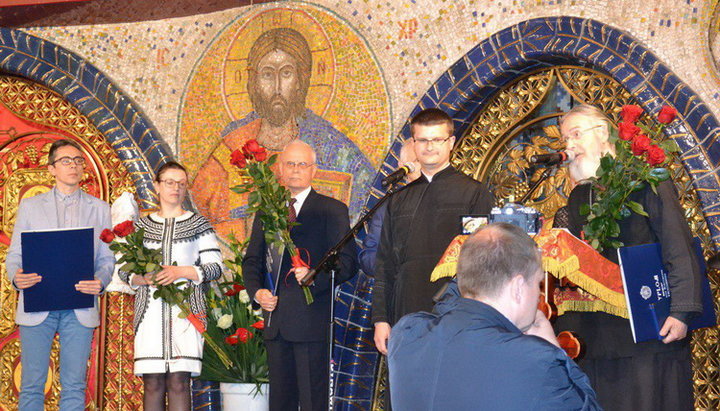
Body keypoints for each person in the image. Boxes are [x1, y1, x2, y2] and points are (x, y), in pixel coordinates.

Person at [554, 104, 703, 410]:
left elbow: (678, 244)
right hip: (595, 337)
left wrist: (682, 311)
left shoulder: (644, 179)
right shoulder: (577, 197)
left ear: (604, 132)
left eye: (576, 134)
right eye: (565, 138)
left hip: (649, 332)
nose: (569, 145)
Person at [388, 223, 600, 410]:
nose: (538, 295)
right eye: (538, 284)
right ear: (518, 287)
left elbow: (447, 306)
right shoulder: (537, 360)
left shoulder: (406, 334)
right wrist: (554, 349)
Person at [191, 27, 373, 238]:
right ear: (254, 82)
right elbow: (196, 214)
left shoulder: (334, 150)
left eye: (286, 73)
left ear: (300, 80)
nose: (277, 87)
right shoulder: (230, 150)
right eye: (268, 74)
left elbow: (363, 200)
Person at [243, 140, 359, 411]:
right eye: (289, 164)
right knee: (279, 402)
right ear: (279, 169)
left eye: (302, 164)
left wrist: (313, 276)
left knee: (312, 402)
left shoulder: (331, 210)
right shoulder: (268, 210)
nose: (295, 170)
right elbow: (252, 261)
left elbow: (348, 263)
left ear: (313, 170)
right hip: (276, 320)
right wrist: (256, 292)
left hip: (311, 320)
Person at [372, 108, 494, 355]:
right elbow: (384, 263)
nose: (429, 147)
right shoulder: (398, 198)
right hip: (405, 310)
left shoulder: (473, 193)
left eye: (437, 139)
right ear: (414, 144)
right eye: (423, 140)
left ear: (451, 142)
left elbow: (481, 261)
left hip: (456, 310)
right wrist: (381, 320)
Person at [6, 139, 115, 410]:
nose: (74, 166)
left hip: (79, 305)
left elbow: (107, 257)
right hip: (37, 302)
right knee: (32, 384)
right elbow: (15, 255)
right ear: (51, 169)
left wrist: (100, 281)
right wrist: (16, 277)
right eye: (66, 161)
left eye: (78, 161)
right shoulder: (31, 207)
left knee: (74, 385)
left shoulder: (99, 208)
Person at [119, 161, 224, 411]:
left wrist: (180, 271)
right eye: (169, 182)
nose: (175, 188)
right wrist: (142, 278)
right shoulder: (141, 227)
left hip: (187, 314)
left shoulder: (199, 224)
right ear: (156, 185)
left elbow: (215, 267)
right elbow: (123, 270)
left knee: (179, 382)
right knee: (152, 382)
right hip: (149, 314)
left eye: (181, 183)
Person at [359, 139, 420, 276]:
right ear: (402, 165)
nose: (423, 166)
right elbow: (368, 257)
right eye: (417, 160)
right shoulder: (389, 205)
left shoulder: (449, 200)